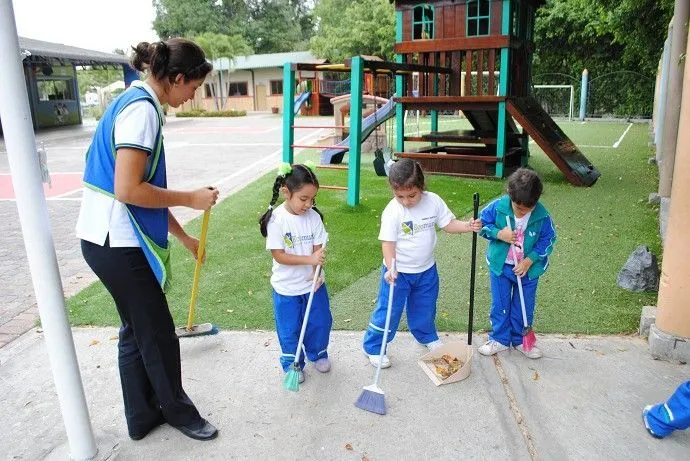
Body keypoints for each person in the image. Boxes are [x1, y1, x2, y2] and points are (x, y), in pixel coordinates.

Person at [76, 39, 219, 441]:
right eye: (192, 87)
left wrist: (184, 236)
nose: (192, 96)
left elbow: (144, 189)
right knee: (155, 331)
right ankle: (178, 412)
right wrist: (191, 198)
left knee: (135, 330)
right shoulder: (142, 111)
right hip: (114, 243)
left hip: (104, 241)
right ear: (176, 78)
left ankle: (142, 417)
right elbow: (128, 190)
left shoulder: (138, 101)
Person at [362, 159, 482, 368]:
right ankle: (374, 347)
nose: (406, 201)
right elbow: (388, 244)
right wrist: (391, 267)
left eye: (412, 195)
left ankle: (426, 336)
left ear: (421, 187)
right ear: (393, 190)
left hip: (426, 270)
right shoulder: (392, 211)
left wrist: (467, 225)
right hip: (398, 273)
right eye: (400, 196)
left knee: (425, 307)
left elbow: (448, 224)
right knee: (389, 311)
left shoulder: (433, 201)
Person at [259, 163, 332, 384]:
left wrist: (316, 270)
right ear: (286, 192)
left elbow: (317, 250)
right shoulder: (276, 220)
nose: (308, 204)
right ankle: (293, 363)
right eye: (303, 199)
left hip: (313, 286)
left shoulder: (314, 218)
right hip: (286, 289)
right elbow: (279, 255)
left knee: (320, 322)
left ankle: (318, 354)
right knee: (289, 329)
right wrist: (309, 260)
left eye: (312, 199)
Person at [477, 168, 556, 359]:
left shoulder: (542, 216)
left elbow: (549, 239)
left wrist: (529, 261)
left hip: (528, 270)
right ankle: (500, 339)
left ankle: (520, 340)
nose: (520, 211)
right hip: (501, 266)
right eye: (517, 207)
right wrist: (499, 234)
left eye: (526, 209)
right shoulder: (498, 207)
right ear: (510, 196)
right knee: (500, 304)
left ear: (536, 201)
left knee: (524, 305)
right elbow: (481, 225)